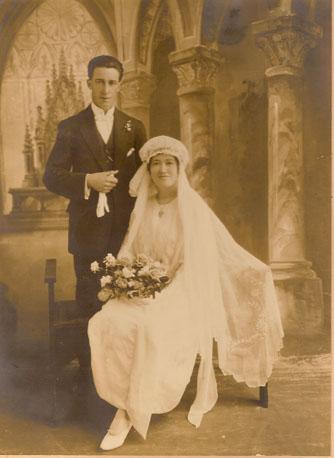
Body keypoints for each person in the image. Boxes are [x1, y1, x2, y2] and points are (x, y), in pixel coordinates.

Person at [88, 135, 284, 451]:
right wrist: (123, 277)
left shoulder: (192, 209)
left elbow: (195, 264)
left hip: (181, 290)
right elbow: (130, 247)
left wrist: (163, 288)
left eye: (169, 163)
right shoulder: (145, 206)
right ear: (148, 170)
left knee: (151, 329)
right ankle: (125, 400)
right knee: (108, 321)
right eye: (156, 164)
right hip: (142, 289)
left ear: (179, 168)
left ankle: (127, 413)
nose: (162, 169)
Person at [43, 55, 146, 327]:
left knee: (127, 305)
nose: (105, 90)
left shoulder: (134, 127)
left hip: (125, 230)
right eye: (99, 82)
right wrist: (88, 180)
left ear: (120, 86)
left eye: (112, 83)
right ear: (89, 83)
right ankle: (91, 369)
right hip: (87, 231)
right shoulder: (71, 127)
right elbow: (51, 176)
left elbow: (145, 176)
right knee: (90, 305)